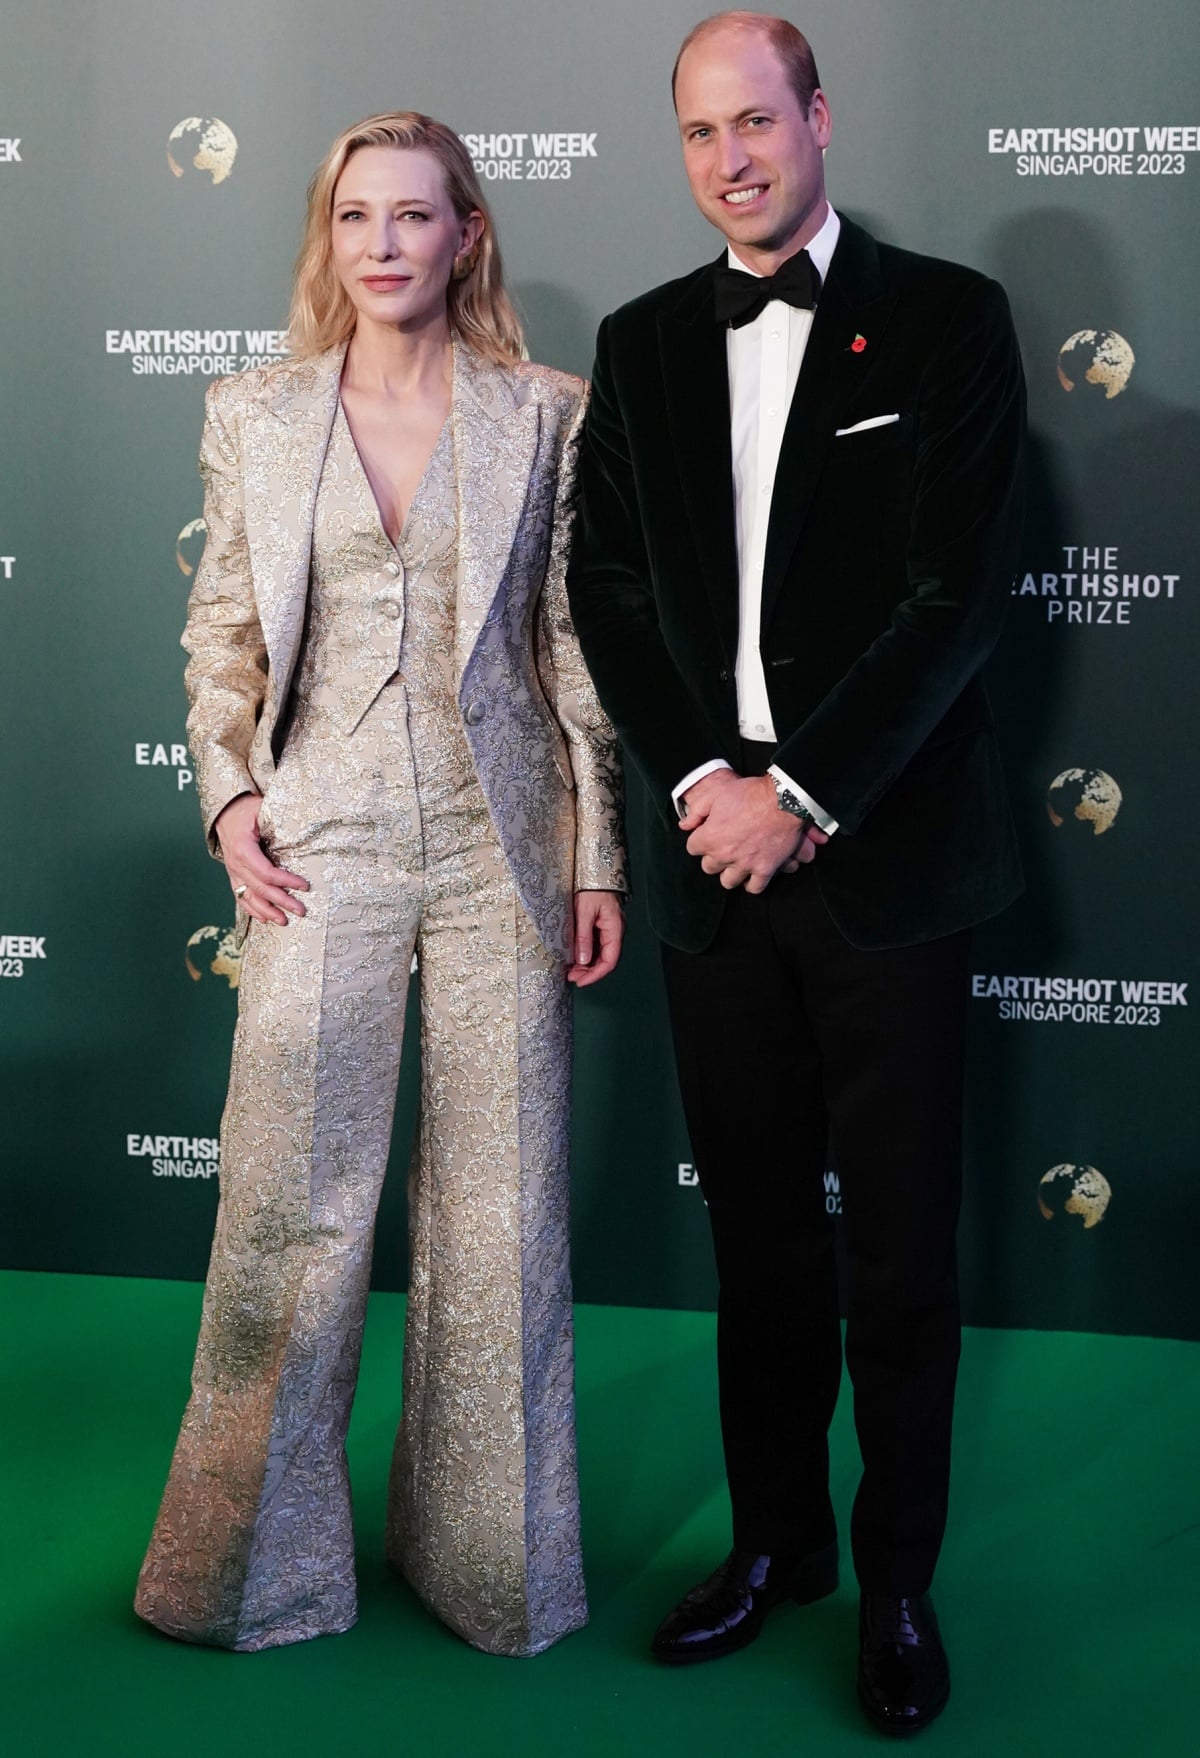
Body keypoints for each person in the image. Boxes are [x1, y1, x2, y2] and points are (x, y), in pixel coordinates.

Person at [566, 12, 1025, 1736]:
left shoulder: (951, 322)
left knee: (901, 1254)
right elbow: (608, 582)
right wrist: (700, 778)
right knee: (759, 1247)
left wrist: (802, 792)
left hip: (882, 867)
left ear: (817, 117)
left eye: (757, 120)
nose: (732, 159)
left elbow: (956, 598)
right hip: (707, 870)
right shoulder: (642, 343)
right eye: (700, 133)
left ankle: (897, 1579)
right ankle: (778, 1549)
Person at [135, 111, 627, 1659]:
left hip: (502, 848)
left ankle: (494, 1572)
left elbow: (571, 658)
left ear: (467, 234)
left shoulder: (548, 413)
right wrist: (227, 798)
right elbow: (224, 633)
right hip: (319, 837)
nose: (386, 244)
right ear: (328, 237)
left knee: (503, 1220)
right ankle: (249, 1572)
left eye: (417, 217)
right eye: (358, 218)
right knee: (292, 1203)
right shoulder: (254, 413)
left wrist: (595, 850)